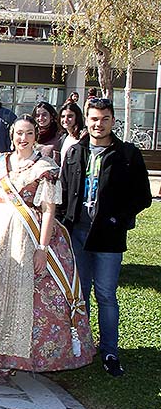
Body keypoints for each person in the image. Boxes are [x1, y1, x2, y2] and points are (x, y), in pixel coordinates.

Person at [0, 115, 94, 373]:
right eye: (19, 133)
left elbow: (49, 210)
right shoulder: (0, 162)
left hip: (26, 235)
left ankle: (11, 358)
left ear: (36, 136)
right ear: (12, 135)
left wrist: (42, 249)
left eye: (29, 133)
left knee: (18, 294)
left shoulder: (45, 167)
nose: (23, 138)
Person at [58, 98, 153, 377]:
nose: (98, 124)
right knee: (81, 293)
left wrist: (118, 218)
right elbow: (64, 191)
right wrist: (65, 222)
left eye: (104, 119)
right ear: (85, 120)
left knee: (106, 294)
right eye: (94, 119)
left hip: (108, 235)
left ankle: (110, 351)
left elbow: (142, 196)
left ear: (112, 121)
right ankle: (83, 346)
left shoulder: (127, 154)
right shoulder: (75, 151)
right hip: (78, 234)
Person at [58, 101, 86, 165]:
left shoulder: (83, 137)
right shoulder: (64, 137)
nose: (65, 120)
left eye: (70, 116)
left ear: (77, 117)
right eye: (63, 116)